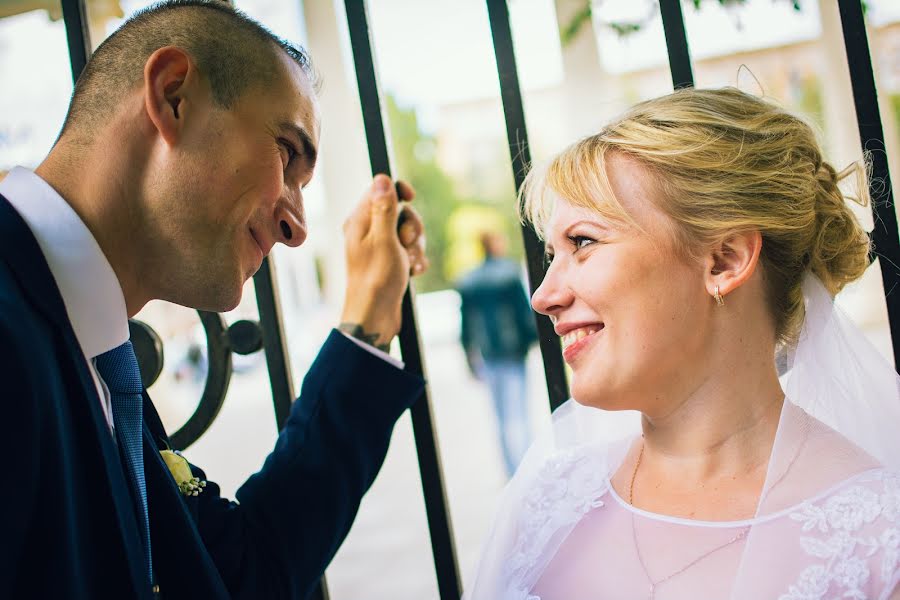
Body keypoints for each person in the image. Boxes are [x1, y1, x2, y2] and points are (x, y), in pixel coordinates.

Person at [0, 1, 429, 599]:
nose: (298, 227)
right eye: (285, 152)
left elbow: (240, 574)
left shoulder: (90, 347)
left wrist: (367, 323)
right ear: (174, 95)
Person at [465, 87, 900, 599]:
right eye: (550, 254)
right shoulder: (548, 502)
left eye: (583, 243)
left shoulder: (876, 542)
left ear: (724, 260)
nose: (543, 297)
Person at [457, 231, 537, 476]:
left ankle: (512, 472)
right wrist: (533, 340)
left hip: (488, 354)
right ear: (494, 244)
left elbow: (466, 325)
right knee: (519, 415)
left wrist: (469, 358)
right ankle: (526, 470)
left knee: (501, 418)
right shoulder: (509, 275)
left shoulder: (469, 281)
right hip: (513, 354)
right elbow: (524, 314)